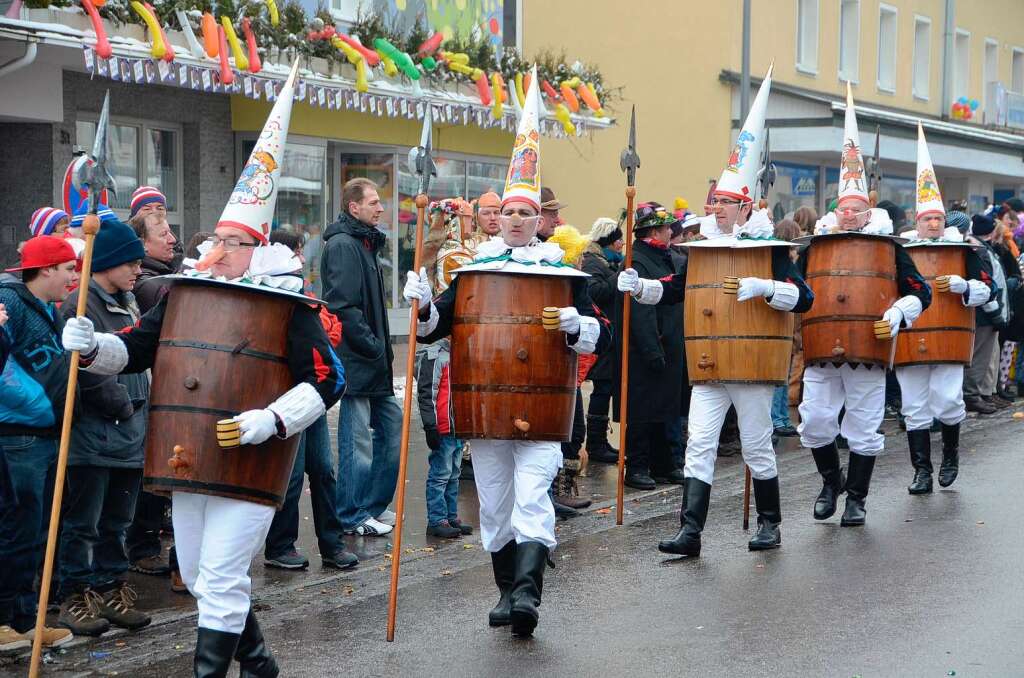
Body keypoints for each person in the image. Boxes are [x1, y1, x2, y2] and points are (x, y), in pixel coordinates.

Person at [62, 64, 344, 677]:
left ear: (257, 249)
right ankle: (261, 663)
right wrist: (90, 347)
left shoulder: (288, 308)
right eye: (214, 238)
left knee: (218, 575)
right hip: (189, 456)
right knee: (195, 573)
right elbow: (134, 348)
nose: (216, 250)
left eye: (232, 242)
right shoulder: (179, 295)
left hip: (253, 461)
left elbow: (329, 380)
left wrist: (271, 420)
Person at [403, 72, 610, 637]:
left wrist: (578, 324)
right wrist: (421, 304)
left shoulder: (563, 274)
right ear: (498, 218)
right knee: (493, 506)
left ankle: (527, 593)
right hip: (487, 409)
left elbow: (600, 336)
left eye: (526, 213)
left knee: (531, 497)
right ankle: (503, 591)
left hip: (543, 410)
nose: (517, 221)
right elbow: (433, 329)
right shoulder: (472, 272)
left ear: (539, 219)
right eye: (509, 213)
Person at [619, 67, 814, 555]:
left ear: (747, 206)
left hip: (750, 366)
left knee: (755, 445)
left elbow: (802, 297)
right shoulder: (701, 249)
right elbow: (675, 287)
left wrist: (765, 287)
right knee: (699, 444)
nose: (719, 207)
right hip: (707, 366)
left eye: (728, 201)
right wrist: (639, 285)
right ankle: (690, 531)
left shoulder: (767, 248)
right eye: (716, 200)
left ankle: (770, 522)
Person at [798, 89, 931, 527]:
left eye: (855, 209)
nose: (847, 215)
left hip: (868, 351)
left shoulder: (887, 249)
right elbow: (796, 288)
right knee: (815, 421)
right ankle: (829, 480)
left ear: (867, 210)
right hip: (820, 349)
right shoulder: (815, 246)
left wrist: (898, 312)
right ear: (834, 211)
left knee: (863, 426)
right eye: (842, 208)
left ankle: (856, 498)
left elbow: (921, 291)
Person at [57, 220, 152, 636]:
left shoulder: (130, 301)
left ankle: (112, 587)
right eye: (130, 263)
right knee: (83, 523)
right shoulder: (80, 306)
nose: (137, 270)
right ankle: (74, 595)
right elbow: (86, 368)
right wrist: (126, 407)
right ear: (108, 262)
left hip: (129, 437)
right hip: (94, 437)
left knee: (117, 521)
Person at [894, 126, 994, 495]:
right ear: (916, 221)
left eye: (938, 218)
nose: (933, 224)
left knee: (949, 399)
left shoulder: (966, 252)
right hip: (911, 336)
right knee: (914, 407)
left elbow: (989, 289)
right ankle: (921, 470)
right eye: (926, 219)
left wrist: (964, 286)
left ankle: (950, 453)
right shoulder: (901, 251)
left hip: (951, 335)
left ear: (944, 220)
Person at [261, 230, 357, 570]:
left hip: (311, 393)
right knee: (291, 474)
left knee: (323, 470)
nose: (303, 259)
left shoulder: (303, 297)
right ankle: (280, 546)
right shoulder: (270, 297)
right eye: (298, 252)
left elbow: (330, 328)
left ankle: (332, 544)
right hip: (284, 396)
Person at [0, 236, 79, 651]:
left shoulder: (46, 309)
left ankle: (26, 619)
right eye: (68, 269)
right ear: (46, 268)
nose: (74, 277)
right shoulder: (8, 302)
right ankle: (2, 619)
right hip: (19, 436)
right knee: (16, 529)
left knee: (38, 532)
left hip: (45, 436)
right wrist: (34, 403)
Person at [321, 177, 401, 537]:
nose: (380, 208)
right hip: (357, 360)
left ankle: (371, 506)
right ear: (354, 208)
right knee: (358, 440)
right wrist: (373, 345)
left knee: (393, 425)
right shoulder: (342, 245)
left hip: (373, 362)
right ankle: (351, 513)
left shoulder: (364, 244)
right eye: (373, 203)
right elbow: (343, 305)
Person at [613, 202, 688, 491]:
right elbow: (639, 310)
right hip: (644, 350)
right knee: (642, 412)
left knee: (664, 409)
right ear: (654, 231)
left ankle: (664, 463)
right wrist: (651, 349)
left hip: (668, 345)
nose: (672, 231)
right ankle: (638, 466)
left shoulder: (665, 256)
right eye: (667, 227)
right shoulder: (636, 261)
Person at [125, 206, 179, 580]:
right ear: (142, 243)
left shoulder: (164, 278)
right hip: (147, 394)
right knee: (148, 477)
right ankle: (141, 545)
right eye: (163, 235)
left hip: (161, 393)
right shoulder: (150, 285)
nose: (173, 240)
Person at [415, 199, 475, 538]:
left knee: (452, 471)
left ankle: (450, 516)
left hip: (455, 419)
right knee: (441, 471)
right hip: (441, 421)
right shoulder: (445, 255)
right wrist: (431, 425)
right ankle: (437, 518)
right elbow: (428, 389)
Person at [580, 217, 623, 464]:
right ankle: (595, 444)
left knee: (605, 388)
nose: (621, 246)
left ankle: (599, 442)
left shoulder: (602, 261)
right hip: (601, 336)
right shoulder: (592, 262)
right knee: (602, 388)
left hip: (609, 336)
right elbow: (596, 292)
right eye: (618, 241)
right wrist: (617, 275)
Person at [963, 212, 1014, 414]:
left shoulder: (983, 248)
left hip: (990, 310)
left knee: (987, 357)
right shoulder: (977, 249)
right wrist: (995, 314)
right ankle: (972, 395)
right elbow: (985, 281)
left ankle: (981, 393)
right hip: (984, 313)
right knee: (980, 357)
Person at [771, 219, 803, 438]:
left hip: (790, 322)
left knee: (784, 374)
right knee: (778, 375)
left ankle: (781, 417)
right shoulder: (780, 261)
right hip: (782, 322)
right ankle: (777, 418)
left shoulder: (790, 260)